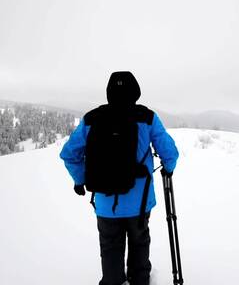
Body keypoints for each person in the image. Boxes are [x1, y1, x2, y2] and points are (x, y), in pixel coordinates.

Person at [60, 71, 179, 285]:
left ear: (109, 92)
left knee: (110, 245)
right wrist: (168, 169)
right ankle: (139, 279)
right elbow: (170, 153)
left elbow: (69, 154)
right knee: (139, 242)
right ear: (136, 91)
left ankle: (113, 280)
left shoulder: (91, 119)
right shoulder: (147, 117)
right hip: (140, 201)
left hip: (106, 202)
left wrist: (80, 180)